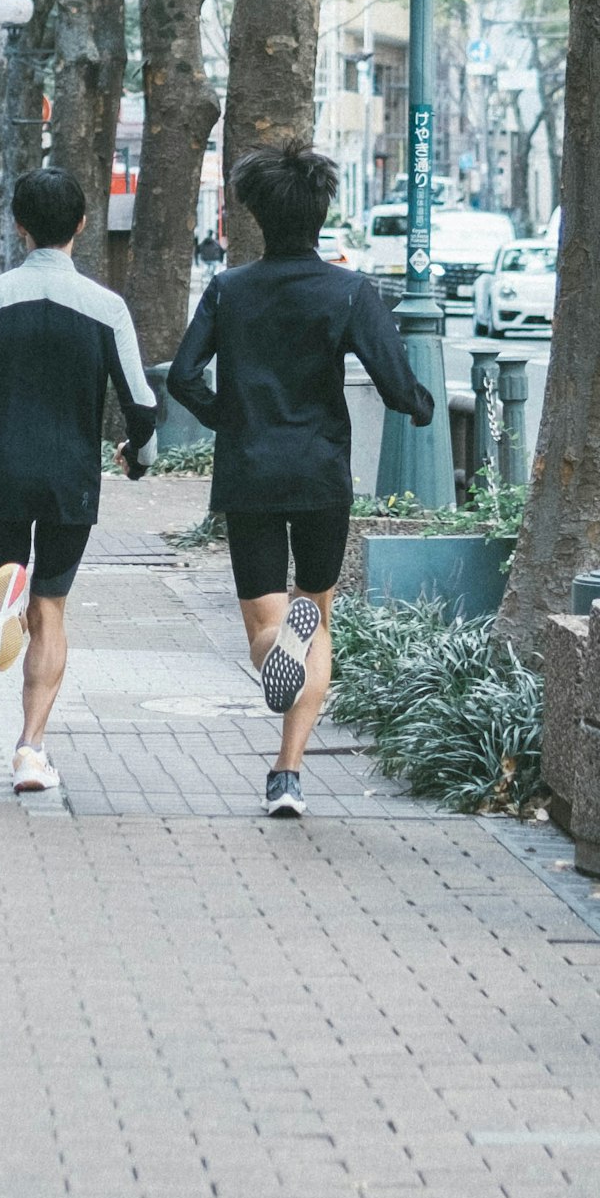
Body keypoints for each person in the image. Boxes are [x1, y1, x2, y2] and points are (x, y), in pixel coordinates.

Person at [163, 146, 433, 819]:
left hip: (250, 470)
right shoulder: (348, 290)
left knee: (266, 624)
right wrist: (422, 405)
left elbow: (183, 376)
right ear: (322, 212)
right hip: (320, 474)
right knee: (317, 616)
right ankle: (288, 772)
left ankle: (279, 651)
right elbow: (400, 389)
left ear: (255, 213)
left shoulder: (230, 290)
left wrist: (231, 418)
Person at [0, 166, 158, 794]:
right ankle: (31, 749)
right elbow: (142, 407)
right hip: (71, 479)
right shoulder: (107, 308)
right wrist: (138, 456)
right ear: (83, 226)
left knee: (2, 593)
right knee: (52, 607)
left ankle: (1, 601)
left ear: (19, 225)